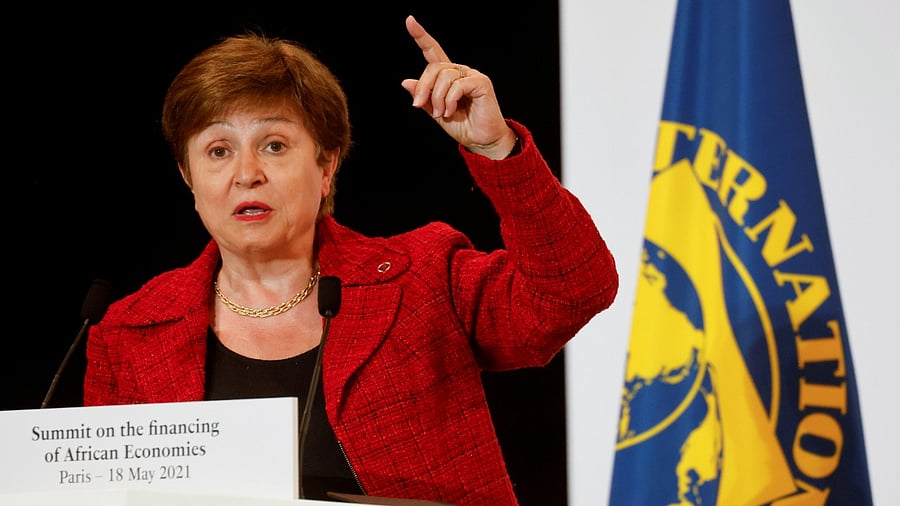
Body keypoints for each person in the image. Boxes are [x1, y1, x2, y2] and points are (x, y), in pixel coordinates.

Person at [83, 14, 618, 506]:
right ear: (188, 177)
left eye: (273, 145)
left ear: (326, 165)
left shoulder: (423, 278)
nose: (246, 173)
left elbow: (572, 290)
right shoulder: (129, 333)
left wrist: (496, 148)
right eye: (218, 151)